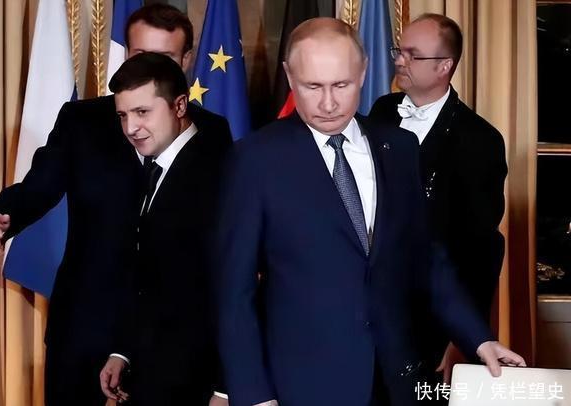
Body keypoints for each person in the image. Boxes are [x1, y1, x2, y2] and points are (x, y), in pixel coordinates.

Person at [215, 17, 523, 406]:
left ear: (363, 72)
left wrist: (479, 339)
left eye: (341, 85)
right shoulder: (254, 159)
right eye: (313, 86)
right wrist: (253, 394)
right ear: (290, 77)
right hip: (304, 385)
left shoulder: (399, 147)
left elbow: (427, 260)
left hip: (398, 380)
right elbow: (233, 291)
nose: (328, 103)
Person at [0, 4, 232, 404]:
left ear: (185, 61)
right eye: (139, 55)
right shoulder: (81, 121)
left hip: (168, 341)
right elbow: (38, 187)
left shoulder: (211, 132)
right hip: (85, 324)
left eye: (163, 58)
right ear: (125, 54)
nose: (147, 68)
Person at [369, 13, 508, 383]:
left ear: (445, 65)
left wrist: (464, 336)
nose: (400, 60)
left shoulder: (479, 140)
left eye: (413, 55)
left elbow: (480, 251)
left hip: (431, 318)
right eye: (399, 51)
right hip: (372, 309)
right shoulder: (382, 111)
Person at [94, 52, 228, 405]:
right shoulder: (154, 167)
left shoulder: (216, 173)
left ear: (180, 106)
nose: (130, 128)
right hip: (151, 372)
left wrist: (225, 387)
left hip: (197, 381)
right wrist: (123, 351)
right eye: (123, 115)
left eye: (142, 112)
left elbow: (234, 287)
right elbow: (147, 277)